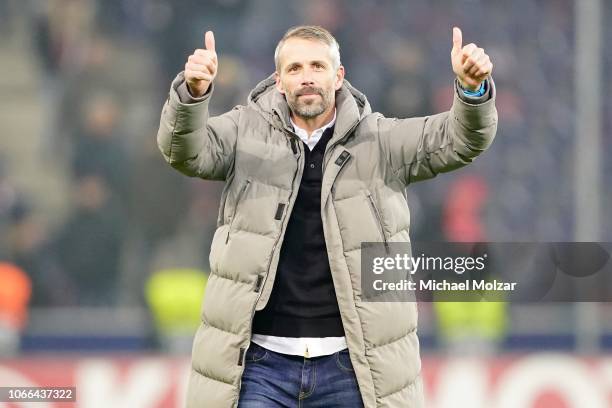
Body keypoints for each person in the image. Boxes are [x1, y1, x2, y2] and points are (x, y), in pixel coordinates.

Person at [157, 25, 497, 408]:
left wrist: (471, 91)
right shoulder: (243, 132)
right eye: (295, 68)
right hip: (258, 365)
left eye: (318, 66)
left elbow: (459, 140)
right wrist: (192, 95)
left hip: (354, 367)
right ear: (279, 81)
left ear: (338, 77)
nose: (306, 77)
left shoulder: (380, 140)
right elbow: (184, 151)